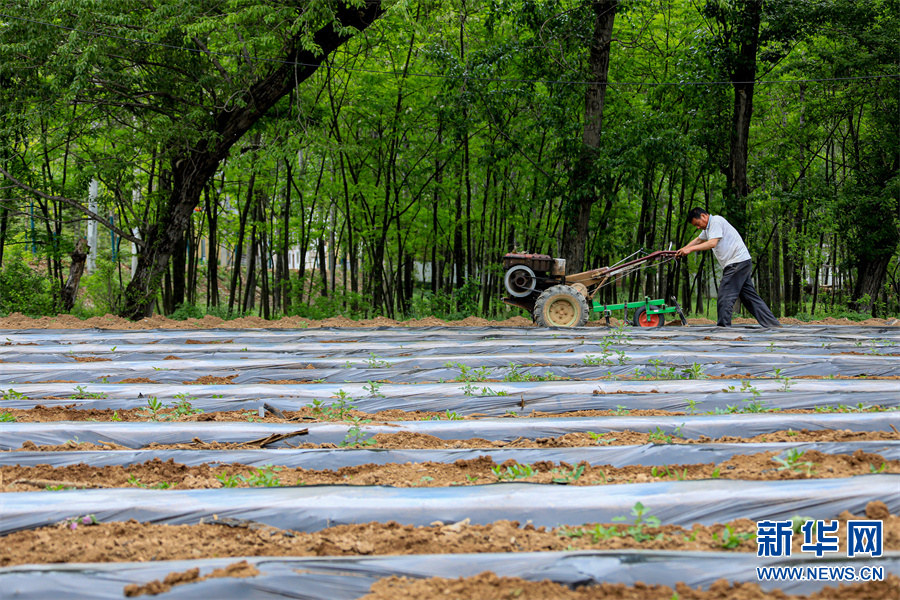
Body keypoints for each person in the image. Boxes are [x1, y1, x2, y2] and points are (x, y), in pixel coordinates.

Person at [676, 208, 782, 328]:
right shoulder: (709, 228)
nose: (698, 227)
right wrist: (682, 249)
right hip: (742, 262)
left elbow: (712, 243)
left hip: (737, 262)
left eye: (697, 224)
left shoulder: (716, 221)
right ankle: (773, 325)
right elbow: (699, 239)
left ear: (703, 216)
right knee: (749, 298)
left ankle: (723, 328)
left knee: (725, 294)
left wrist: (689, 249)